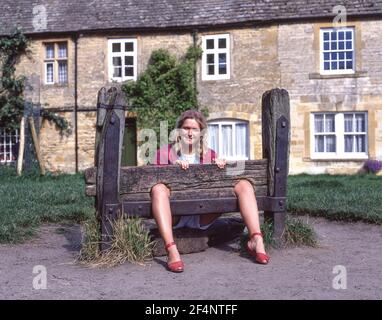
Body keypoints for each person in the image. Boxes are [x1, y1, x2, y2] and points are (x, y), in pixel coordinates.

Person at [151, 109, 269, 272]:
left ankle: (256, 239)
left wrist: (221, 168)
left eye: (195, 129)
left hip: (203, 216)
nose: (190, 133)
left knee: (244, 185)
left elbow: (222, 181)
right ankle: (171, 249)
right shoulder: (164, 154)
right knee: (158, 189)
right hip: (174, 217)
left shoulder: (210, 155)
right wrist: (171, 169)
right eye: (186, 128)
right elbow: (148, 182)